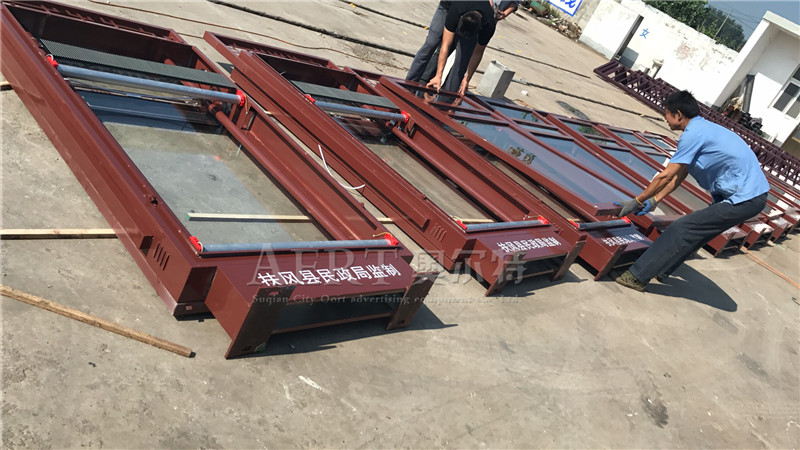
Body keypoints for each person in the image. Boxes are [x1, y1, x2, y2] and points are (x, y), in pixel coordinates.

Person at [613, 90, 770, 292]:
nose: (665, 118)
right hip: (750, 195)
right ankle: (663, 270)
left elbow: (666, 175)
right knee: (696, 233)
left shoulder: (693, 135)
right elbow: (679, 174)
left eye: (667, 114)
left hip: (745, 198)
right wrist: (655, 200)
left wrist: (637, 200)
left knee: (682, 228)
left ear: (678, 115)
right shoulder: (705, 130)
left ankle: (636, 276)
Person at [406, 1, 517, 95]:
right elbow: (445, 45)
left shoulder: (489, 25)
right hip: (448, 6)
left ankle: (446, 101)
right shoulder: (456, 9)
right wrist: (438, 75)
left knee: (462, 60)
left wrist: (467, 79)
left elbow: (477, 53)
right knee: (431, 43)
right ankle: (408, 85)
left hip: (475, 13)